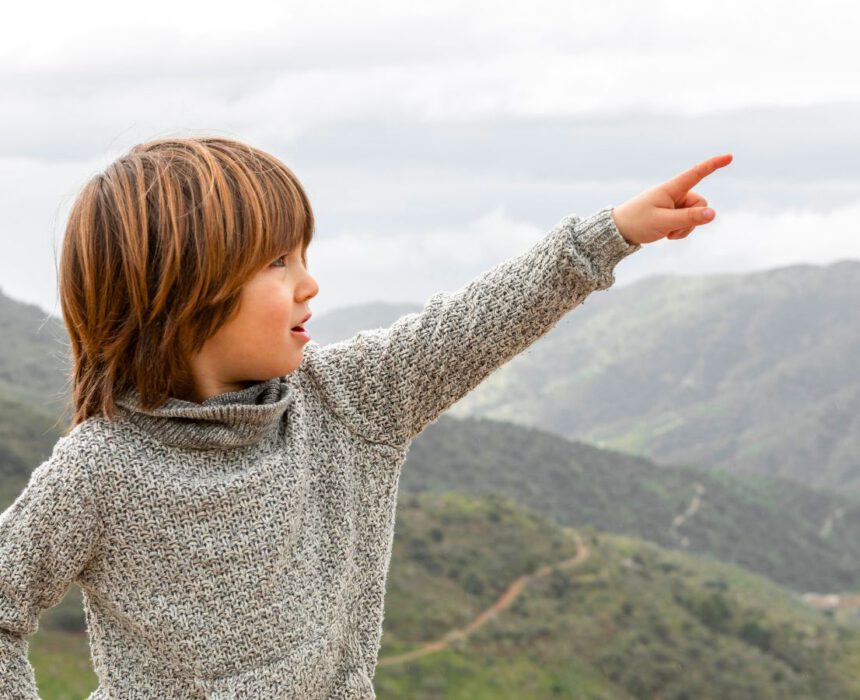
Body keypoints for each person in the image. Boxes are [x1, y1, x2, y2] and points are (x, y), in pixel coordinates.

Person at [0, 136, 731, 698]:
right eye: (278, 262)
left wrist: (611, 234)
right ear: (183, 290)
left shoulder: (345, 402)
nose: (309, 283)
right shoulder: (99, 469)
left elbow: (471, 326)